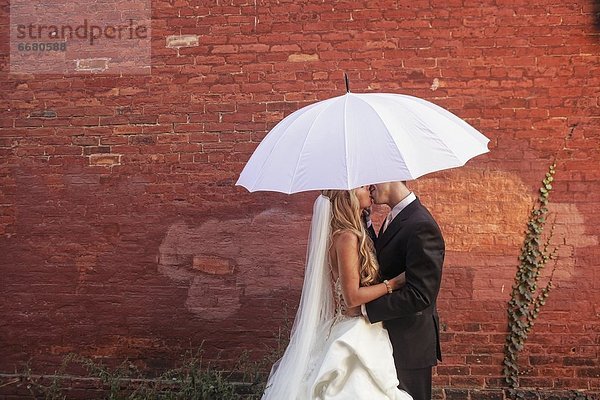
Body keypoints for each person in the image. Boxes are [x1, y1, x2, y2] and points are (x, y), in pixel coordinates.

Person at [262, 186, 412, 400]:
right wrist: (393, 284)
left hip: (354, 325)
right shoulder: (347, 237)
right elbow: (352, 298)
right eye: (361, 187)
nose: (369, 188)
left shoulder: (349, 232)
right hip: (355, 328)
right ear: (348, 196)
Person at [363, 181, 445, 400]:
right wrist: (367, 223)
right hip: (393, 336)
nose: (369, 187)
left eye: (373, 179)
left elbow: (421, 295)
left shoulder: (421, 224)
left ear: (391, 176)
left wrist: (365, 309)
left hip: (411, 342)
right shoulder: (396, 217)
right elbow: (387, 261)